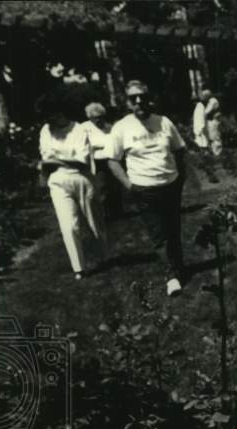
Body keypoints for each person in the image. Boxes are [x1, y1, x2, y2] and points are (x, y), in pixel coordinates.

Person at [107, 80, 188, 297]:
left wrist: (181, 176)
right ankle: (172, 277)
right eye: (134, 98)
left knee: (173, 230)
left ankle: (179, 268)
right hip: (144, 189)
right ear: (128, 102)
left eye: (142, 96)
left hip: (170, 185)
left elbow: (179, 149)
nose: (139, 101)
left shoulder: (164, 122)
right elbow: (113, 161)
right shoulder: (121, 128)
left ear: (149, 97)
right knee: (158, 233)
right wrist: (129, 185)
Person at [38, 88, 106, 280]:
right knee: (69, 226)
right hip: (58, 181)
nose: (51, 118)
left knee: (95, 223)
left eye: (54, 113)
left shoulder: (79, 129)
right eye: (48, 115)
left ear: (63, 111)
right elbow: (45, 157)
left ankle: (102, 257)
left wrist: (55, 159)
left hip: (82, 178)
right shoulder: (46, 130)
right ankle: (79, 268)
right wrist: (62, 159)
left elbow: (81, 160)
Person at [83, 102, 121, 219]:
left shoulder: (109, 127)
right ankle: (103, 214)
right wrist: (98, 145)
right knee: (101, 186)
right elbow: (85, 145)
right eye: (95, 118)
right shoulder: (84, 128)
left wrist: (102, 145)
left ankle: (117, 211)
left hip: (111, 159)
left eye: (100, 117)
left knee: (115, 186)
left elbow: (115, 142)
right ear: (89, 117)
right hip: (96, 161)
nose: (98, 120)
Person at [202, 88, 222, 157]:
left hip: (214, 121)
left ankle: (217, 154)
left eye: (204, 96)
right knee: (211, 137)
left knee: (215, 137)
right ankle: (214, 153)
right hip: (211, 121)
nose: (203, 97)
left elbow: (207, 112)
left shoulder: (213, 101)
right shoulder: (210, 101)